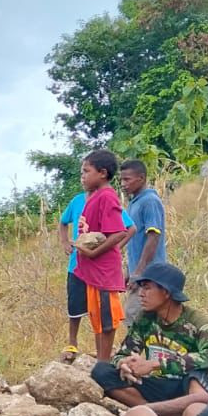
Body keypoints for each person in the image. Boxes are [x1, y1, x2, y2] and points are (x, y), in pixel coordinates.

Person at [91, 263, 208, 416]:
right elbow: (123, 353)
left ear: (166, 292)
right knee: (101, 370)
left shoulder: (198, 323)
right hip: (156, 385)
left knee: (196, 376)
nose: (141, 294)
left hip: (183, 387)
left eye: (147, 288)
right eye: (141, 288)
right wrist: (125, 363)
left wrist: (156, 364)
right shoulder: (145, 318)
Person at [71, 149, 133, 362]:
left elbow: (119, 233)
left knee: (107, 320)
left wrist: (93, 252)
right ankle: (101, 361)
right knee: (97, 318)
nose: (83, 176)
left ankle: (104, 364)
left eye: (86, 171)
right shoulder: (94, 197)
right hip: (93, 274)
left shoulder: (107, 196)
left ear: (103, 173)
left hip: (104, 272)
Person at [58, 191, 132, 361]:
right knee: (75, 306)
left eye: (87, 171)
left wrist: (111, 250)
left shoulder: (106, 200)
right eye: (82, 172)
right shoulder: (77, 201)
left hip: (98, 269)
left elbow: (128, 228)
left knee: (100, 311)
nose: (83, 176)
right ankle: (72, 343)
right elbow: (62, 222)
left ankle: (102, 357)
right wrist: (64, 241)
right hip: (77, 264)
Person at [119, 159, 167, 288]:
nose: (123, 184)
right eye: (121, 180)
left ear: (141, 178)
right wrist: (129, 272)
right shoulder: (134, 203)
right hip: (140, 275)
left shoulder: (150, 201)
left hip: (151, 275)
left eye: (127, 179)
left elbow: (154, 236)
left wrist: (139, 271)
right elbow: (135, 244)